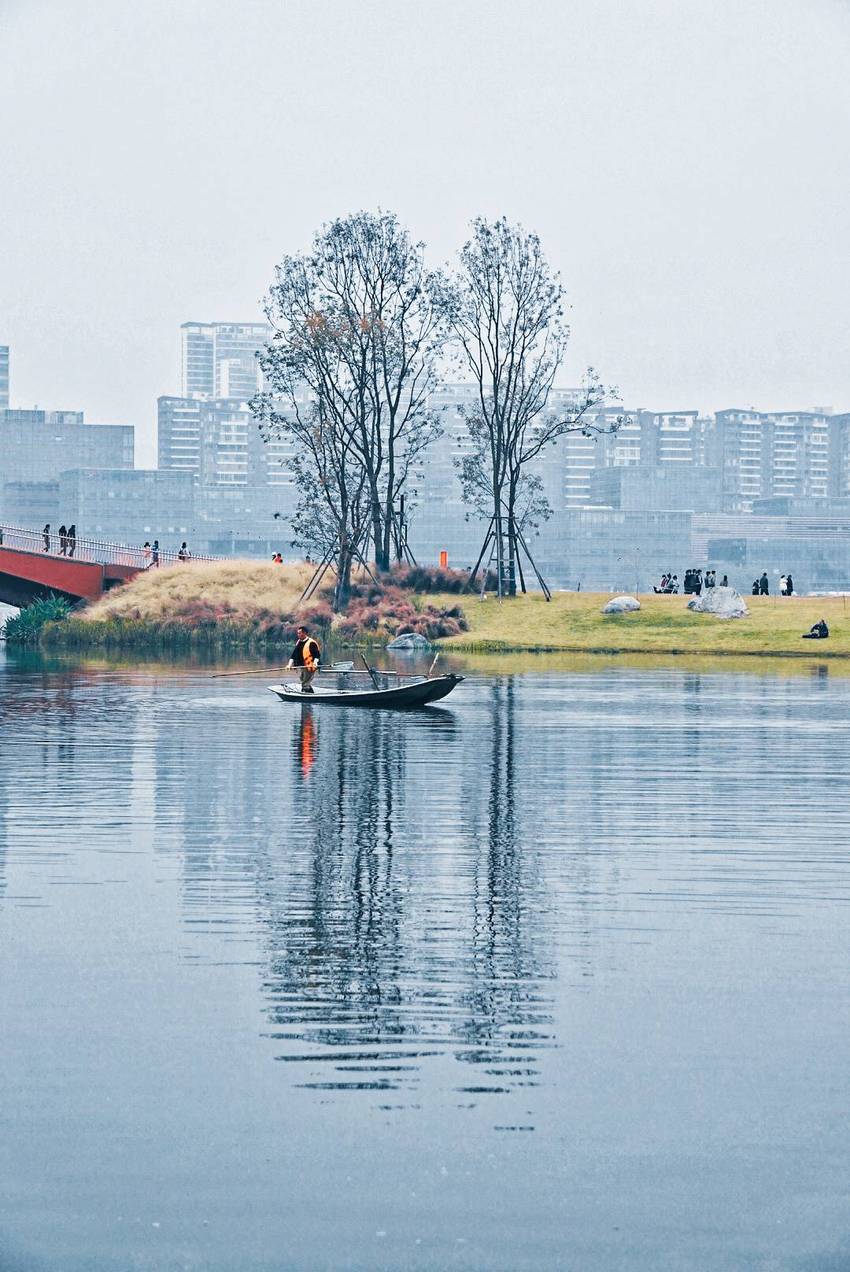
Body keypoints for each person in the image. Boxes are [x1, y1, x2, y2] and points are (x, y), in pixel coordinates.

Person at [287, 624, 321, 693]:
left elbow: (317, 655)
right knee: (302, 678)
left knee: (305, 683)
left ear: (304, 633)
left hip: (310, 666)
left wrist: (315, 663)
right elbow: (293, 655)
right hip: (303, 666)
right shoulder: (299, 642)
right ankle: (310, 692)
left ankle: (306, 696)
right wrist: (289, 664)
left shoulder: (311, 643)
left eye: (299, 633)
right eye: (298, 633)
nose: (298, 635)